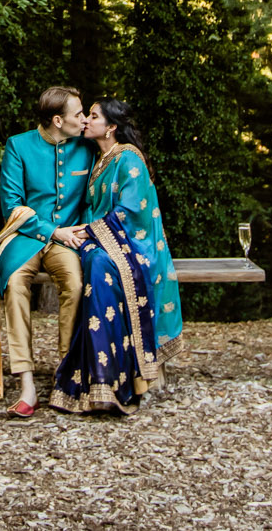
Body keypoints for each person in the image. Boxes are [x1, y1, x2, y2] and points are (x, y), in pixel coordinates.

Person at [46, 98, 183, 415]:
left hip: (134, 247)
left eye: (93, 116)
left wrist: (88, 231)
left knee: (98, 264)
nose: (86, 121)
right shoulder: (100, 159)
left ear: (111, 127)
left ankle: (111, 382)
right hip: (101, 242)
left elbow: (130, 213)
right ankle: (99, 380)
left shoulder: (129, 160)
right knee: (95, 261)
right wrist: (84, 233)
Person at [0, 86, 92, 416]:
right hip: (25, 237)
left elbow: (93, 198)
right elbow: (11, 204)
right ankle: (27, 382)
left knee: (75, 285)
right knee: (15, 282)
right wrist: (50, 230)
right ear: (58, 120)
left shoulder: (87, 148)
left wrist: (80, 233)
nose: (84, 119)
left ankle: (65, 372)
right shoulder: (19, 146)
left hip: (68, 240)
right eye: (79, 114)